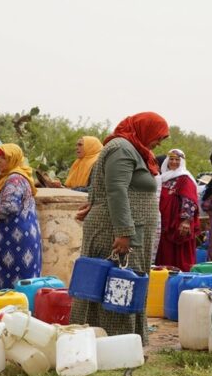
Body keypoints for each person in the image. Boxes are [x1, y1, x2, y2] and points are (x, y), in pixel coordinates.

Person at [70, 112, 169, 345]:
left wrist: (94, 203)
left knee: (127, 282)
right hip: (116, 230)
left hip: (131, 228)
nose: (160, 143)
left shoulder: (135, 149)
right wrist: (124, 232)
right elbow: (116, 190)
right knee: (116, 283)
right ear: (144, 129)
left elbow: (105, 187)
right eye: (158, 136)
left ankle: (127, 340)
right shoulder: (121, 148)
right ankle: (112, 341)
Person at [0, 144, 42, 290]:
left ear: (13, 159)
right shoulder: (14, 176)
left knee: (13, 280)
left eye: (3, 158)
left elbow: (10, 207)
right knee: (19, 278)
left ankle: (12, 310)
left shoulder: (14, 179)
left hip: (15, 238)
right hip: (17, 235)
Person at [154, 149, 200, 272]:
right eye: (171, 159)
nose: (174, 162)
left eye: (177, 159)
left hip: (178, 225)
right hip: (164, 224)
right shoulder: (162, 178)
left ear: (182, 162)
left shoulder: (185, 178)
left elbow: (189, 200)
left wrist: (186, 221)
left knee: (179, 257)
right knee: (164, 257)